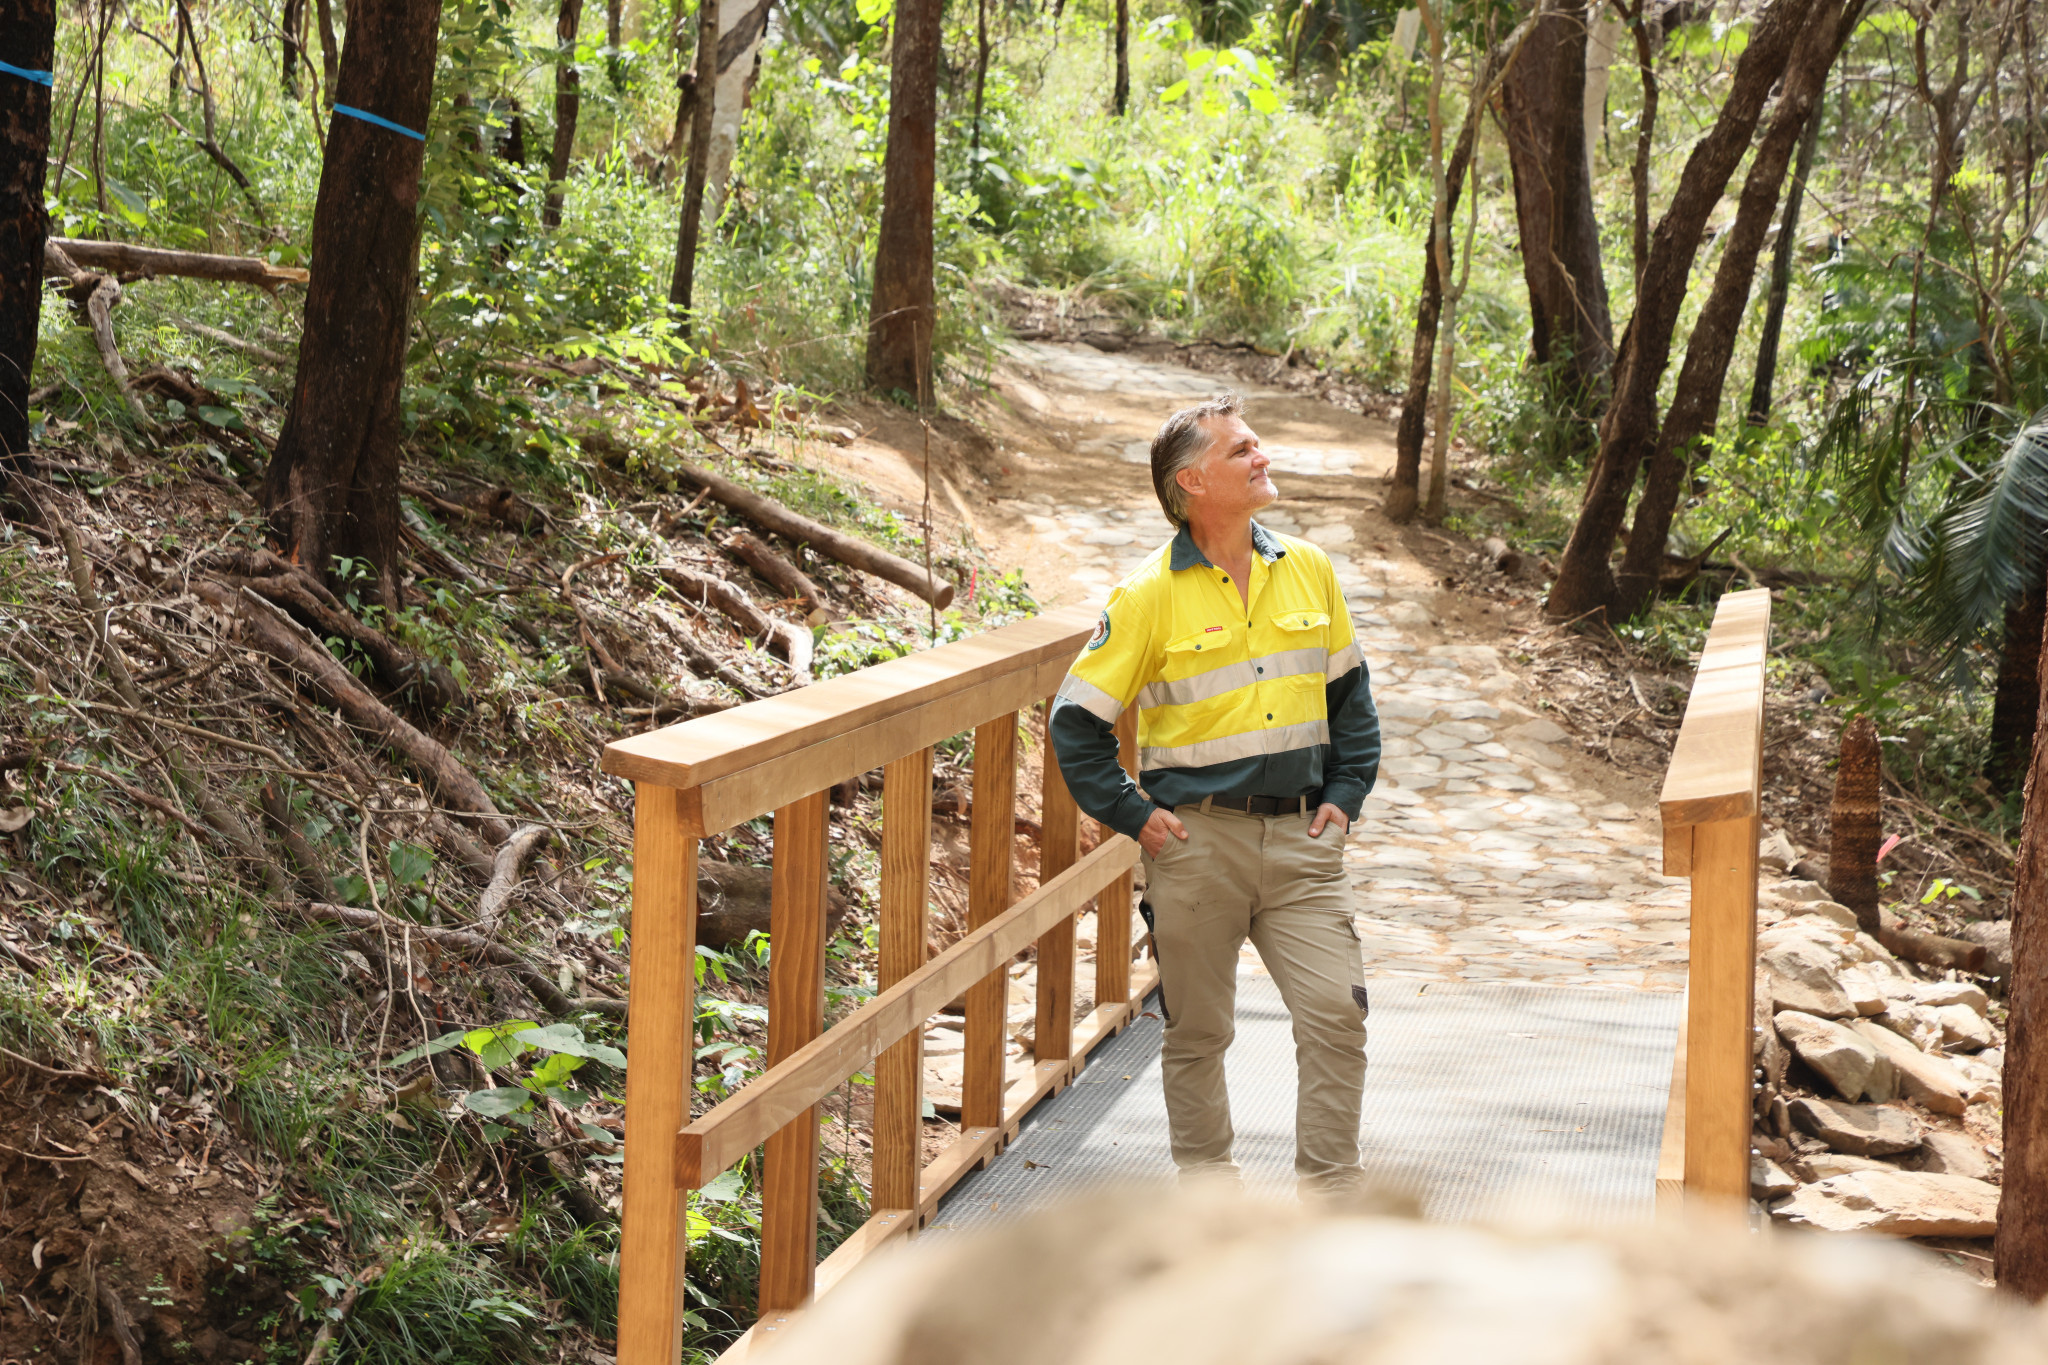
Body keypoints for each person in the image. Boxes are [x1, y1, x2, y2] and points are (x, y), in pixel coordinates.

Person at [1048, 392, 1380, 1193]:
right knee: (1199, 1031)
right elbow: (1074, 724)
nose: (1262, 456)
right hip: (1199, 847)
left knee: (1337, 1013)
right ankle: (1210, 1196)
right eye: (1243, 450)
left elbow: (1353, 701)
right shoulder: (1147, 596)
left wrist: (1346, 792)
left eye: (1256, 444)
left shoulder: (1310, 569)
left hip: (1304, 842)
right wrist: (1137, 816)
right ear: (1192, 481)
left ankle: (1331, 1194)